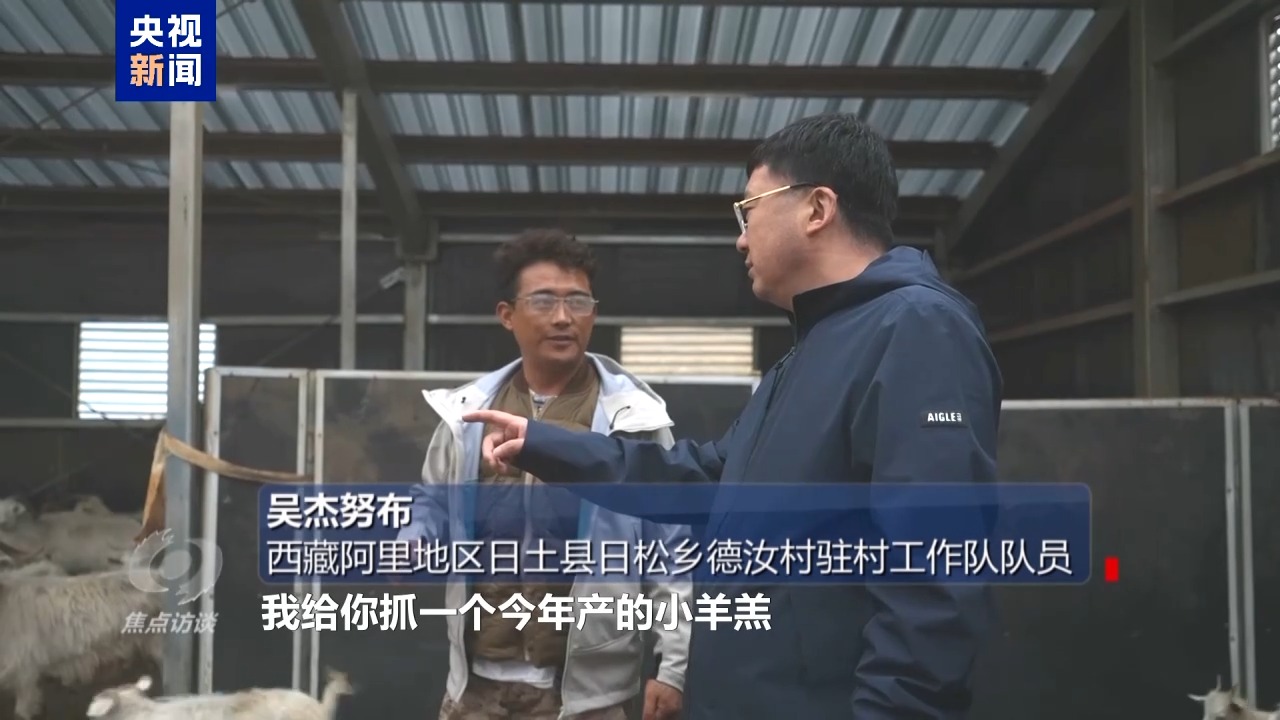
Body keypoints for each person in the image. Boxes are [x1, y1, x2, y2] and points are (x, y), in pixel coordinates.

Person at [463, 113, 1002, 719]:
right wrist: (546, 444)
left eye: (749, 212)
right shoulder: (809, 352)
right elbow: (706, 479)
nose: (741, 240)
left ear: (817, 208)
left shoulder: (917, 328)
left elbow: (936, 575)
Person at [398, 229, 689, 720]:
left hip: (587, 698)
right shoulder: (466, 414)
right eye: (543, 301)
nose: (562, 317)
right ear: (506, 315)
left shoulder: (634, 421)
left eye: (578, 301)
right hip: (475, 688)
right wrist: (416, 535)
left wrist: (672, 666)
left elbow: (670, 549)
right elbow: (432, 499)